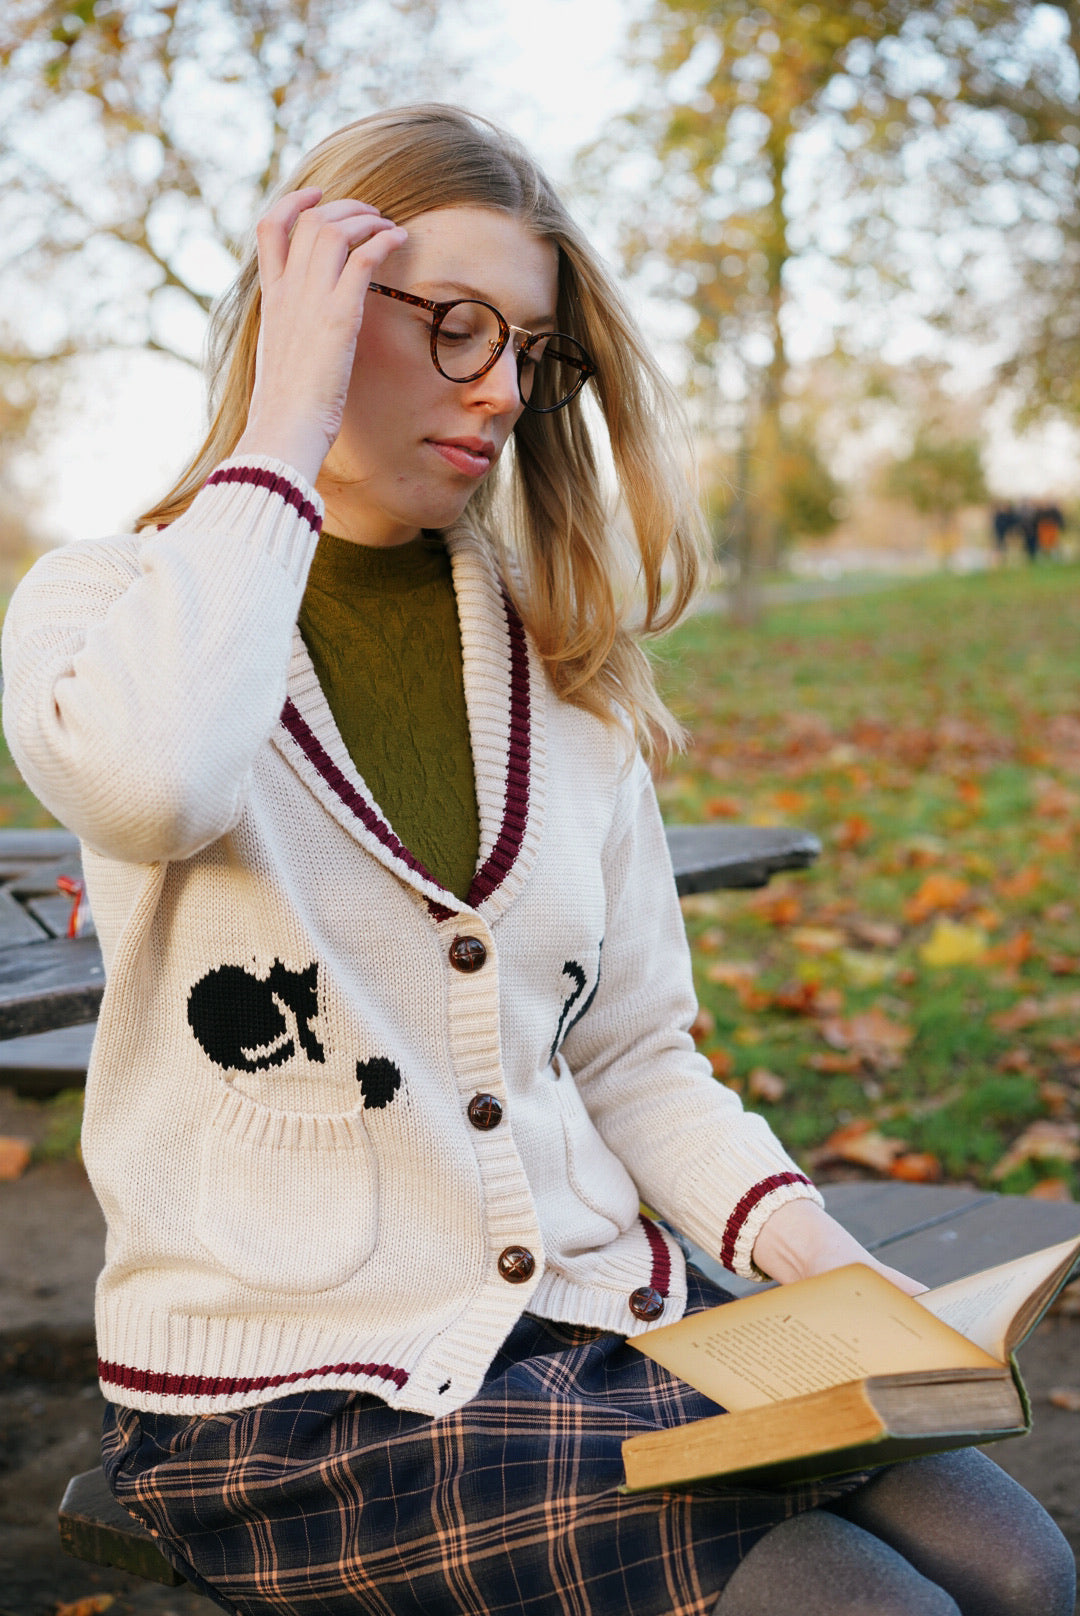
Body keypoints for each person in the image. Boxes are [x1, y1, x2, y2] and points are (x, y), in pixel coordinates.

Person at [2, 105, 1073, 1616]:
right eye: (451, 327)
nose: (501, 388)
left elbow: (634, 1052)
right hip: (285, 1408)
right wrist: (281, 433)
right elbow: (158, 783)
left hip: (589, 1326)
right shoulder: (105, 605)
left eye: (529, 348)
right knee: (863, 1606)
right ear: (309, 311)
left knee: (1022, 1571)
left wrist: (826, 1265)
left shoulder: (559, 656)